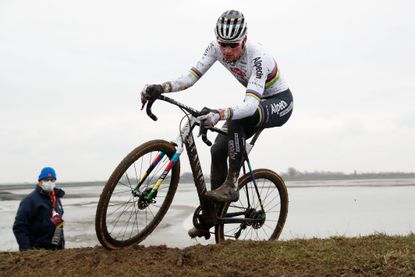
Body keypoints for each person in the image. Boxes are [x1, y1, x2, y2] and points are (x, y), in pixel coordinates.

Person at [141, 10, 293, 236]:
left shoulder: (258, 57)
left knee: (235, 119)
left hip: (279, 102)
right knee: (218, 149)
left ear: (244, 39)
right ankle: (212, 216)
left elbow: (250, 107)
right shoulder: (215, 49)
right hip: (255, 102)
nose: (227, 51)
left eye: (232, 45)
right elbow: (191, 77)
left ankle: (231, 185)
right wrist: (162, 87)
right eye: (223, 44)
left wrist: (218, 114)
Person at [13, 167, 65, 251]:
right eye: (46, 180)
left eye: (52, 180)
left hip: (56, 251)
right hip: (37, 251)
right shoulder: (29, 201)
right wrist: (28, 251)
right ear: (39, 181)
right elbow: (19, 228)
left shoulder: (56, 199)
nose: (49, 182)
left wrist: (59, 245)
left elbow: (59, 224)